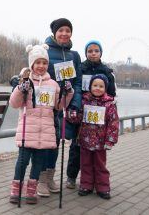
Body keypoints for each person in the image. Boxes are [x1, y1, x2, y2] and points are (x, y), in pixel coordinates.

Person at [9, 44, 74, 204]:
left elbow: (59, 106)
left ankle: (32, 190)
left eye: (44, 63)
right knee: (22, 162)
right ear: (32, 64)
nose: (41, 66)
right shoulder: (25, 82)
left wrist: (68, 92)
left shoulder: (52, 84)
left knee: (38, 164)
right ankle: (16, 189)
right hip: (27, 131)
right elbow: (14, 103)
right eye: (37, 62)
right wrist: (20, 89)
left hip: (44, 132)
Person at [36, 18, 82, 197]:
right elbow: (35, 70)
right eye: (61, 30)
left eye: (67, 30)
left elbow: (77, 82)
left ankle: (50, 177)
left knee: (56, 143)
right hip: (46, 105)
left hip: (64, 106)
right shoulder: (45, 51)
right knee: (43, 144)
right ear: (54, 32)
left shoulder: (74, 56)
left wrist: (75, 103)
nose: (64, 33)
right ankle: (40, 180)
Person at [65, 40, 117, 190]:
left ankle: (98, 182)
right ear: (86, 53)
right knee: (76, 147)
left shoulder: (107, 71)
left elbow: (111, 93)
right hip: (82, 111)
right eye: (90, 51)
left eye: (96, 51)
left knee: (98, 153)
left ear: (101, 53)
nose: (93, 53)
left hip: (100, 115)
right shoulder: (80, 68)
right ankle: (72, 176)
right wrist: (74, 107)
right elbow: (74, 87)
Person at [67, 74, 119, 200]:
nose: (97, 88)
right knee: (85, 164)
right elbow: (78, 118)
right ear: (90, 87)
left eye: (101, 86)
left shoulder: (109, 104)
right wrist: (73, 115)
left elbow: (113, 123)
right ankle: (86, 185)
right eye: (95, 85)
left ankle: (103, 187)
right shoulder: (84, 101)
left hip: (100, 142)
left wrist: (110, 140)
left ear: (105, 88)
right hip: (85, 140)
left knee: (100, 165)